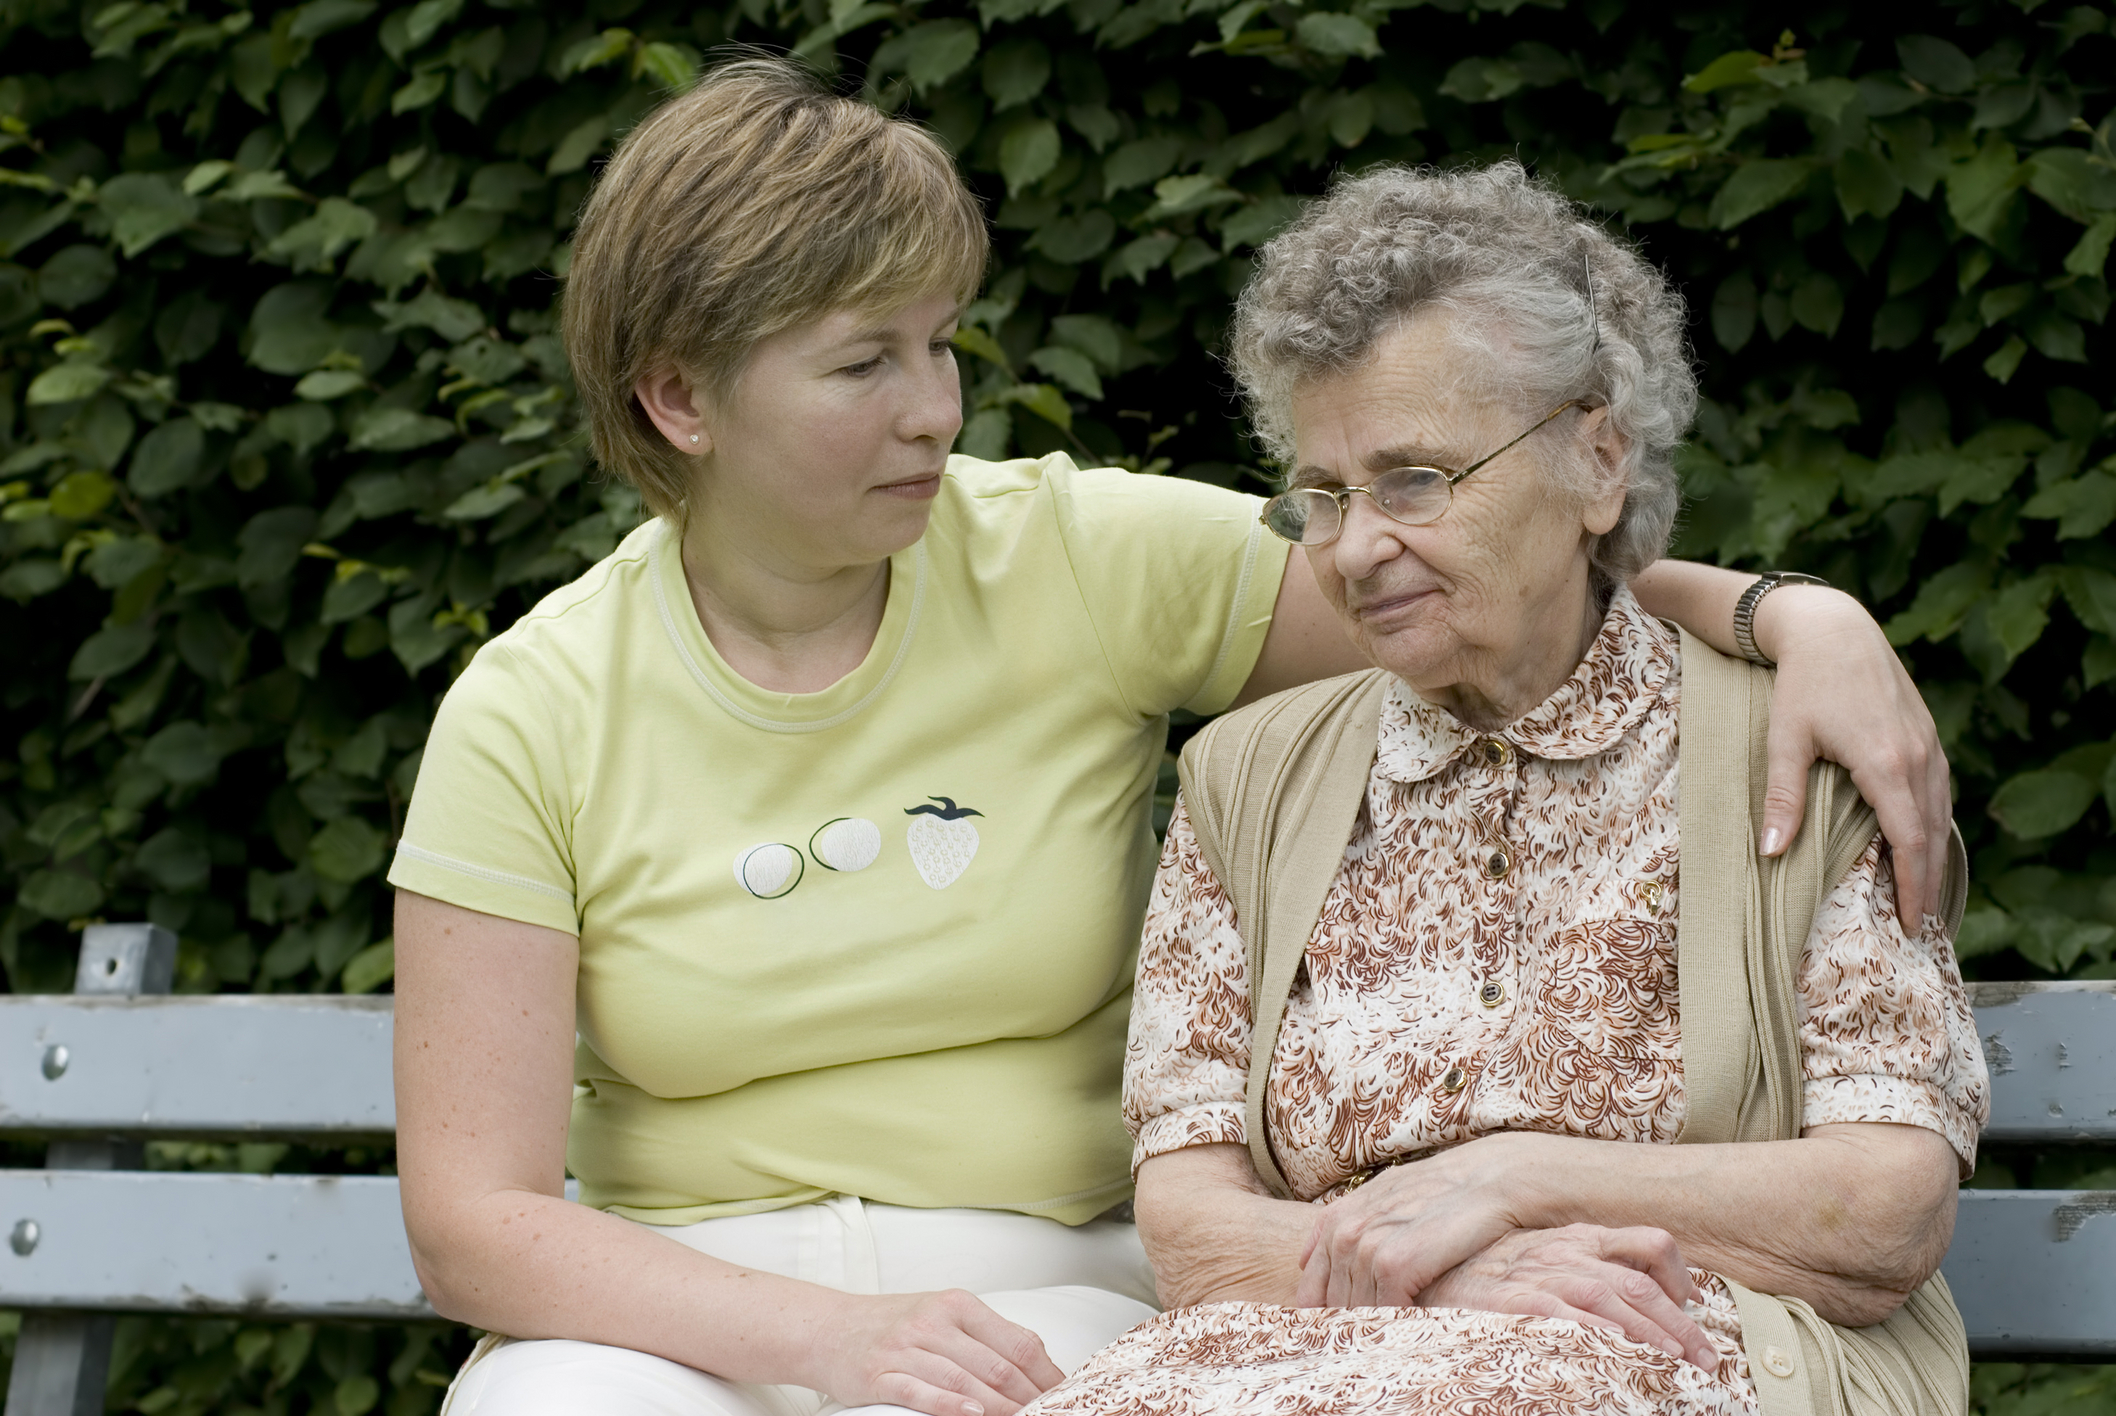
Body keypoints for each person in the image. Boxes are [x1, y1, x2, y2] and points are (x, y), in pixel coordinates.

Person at [389, 61, 1959, 1416]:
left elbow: (1479, 578)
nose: (936, 409)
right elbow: (476, 1221)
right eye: (867, 363)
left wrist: (1786, 618)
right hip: (680, 1308)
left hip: (1043, 1288)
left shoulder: (1074, 557)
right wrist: (836, 1342)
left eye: (943, 344)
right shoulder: (537, 707)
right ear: (680, 399)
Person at [1067, 162, 1987, 1416]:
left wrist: (1516, 1177)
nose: (1351, 547)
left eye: (1410, 481)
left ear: (1595, 460)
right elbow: (1186, 1218)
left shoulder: (1797, 747)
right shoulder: (1249, 780)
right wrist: (1441, 1276)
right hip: (1307, 1353)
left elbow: (1883, 1208)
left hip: (1683, 1345)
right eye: (1324, 496)